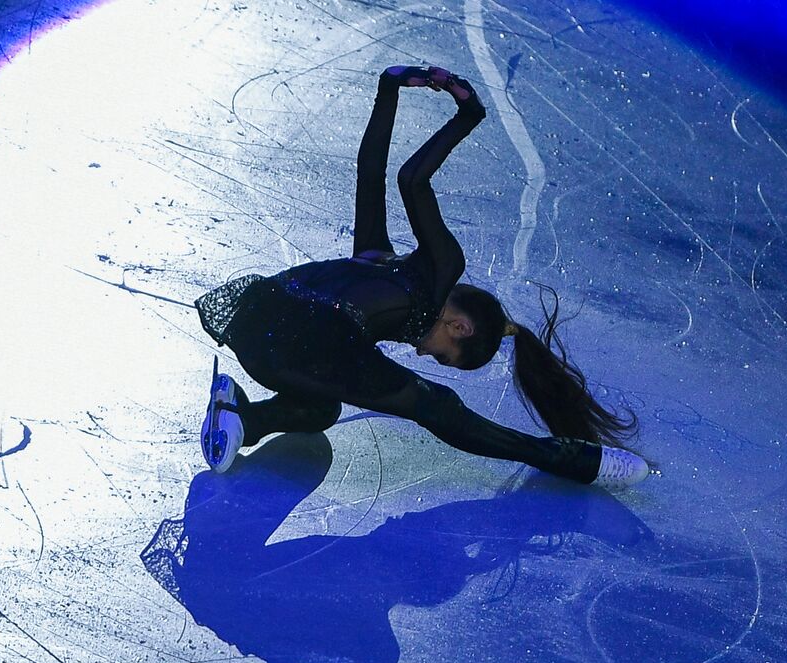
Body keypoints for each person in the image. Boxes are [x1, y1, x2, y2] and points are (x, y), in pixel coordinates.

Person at [194, 64, 649, 488]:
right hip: (307, 336)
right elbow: (412, 179)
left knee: (321, 409)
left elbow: (370, 170)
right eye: (446, 357)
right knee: (437, 405)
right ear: (460, 326)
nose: (426, 355)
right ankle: (565, 458)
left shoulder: (374, 255)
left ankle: (240, 417)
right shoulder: (442, 271)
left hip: (257, 325)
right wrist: (468, 116)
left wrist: (388, 87)